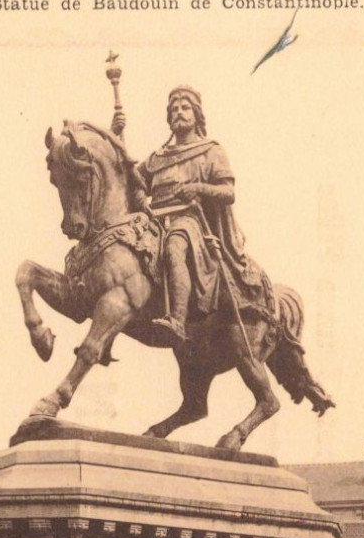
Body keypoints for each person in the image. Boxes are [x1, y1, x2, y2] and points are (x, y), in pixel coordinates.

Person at [113, 86, 273, 347]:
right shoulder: (157, 157)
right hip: (154, 222)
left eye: (185, 107)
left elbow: (228, 191)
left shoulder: (211, 151)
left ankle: (176, 320)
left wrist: (198, 188)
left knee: (175, 246)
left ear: (197, 114)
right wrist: (115, 135)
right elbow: (130, 180)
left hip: (191, 222)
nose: (179, 112)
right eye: (174, 108)